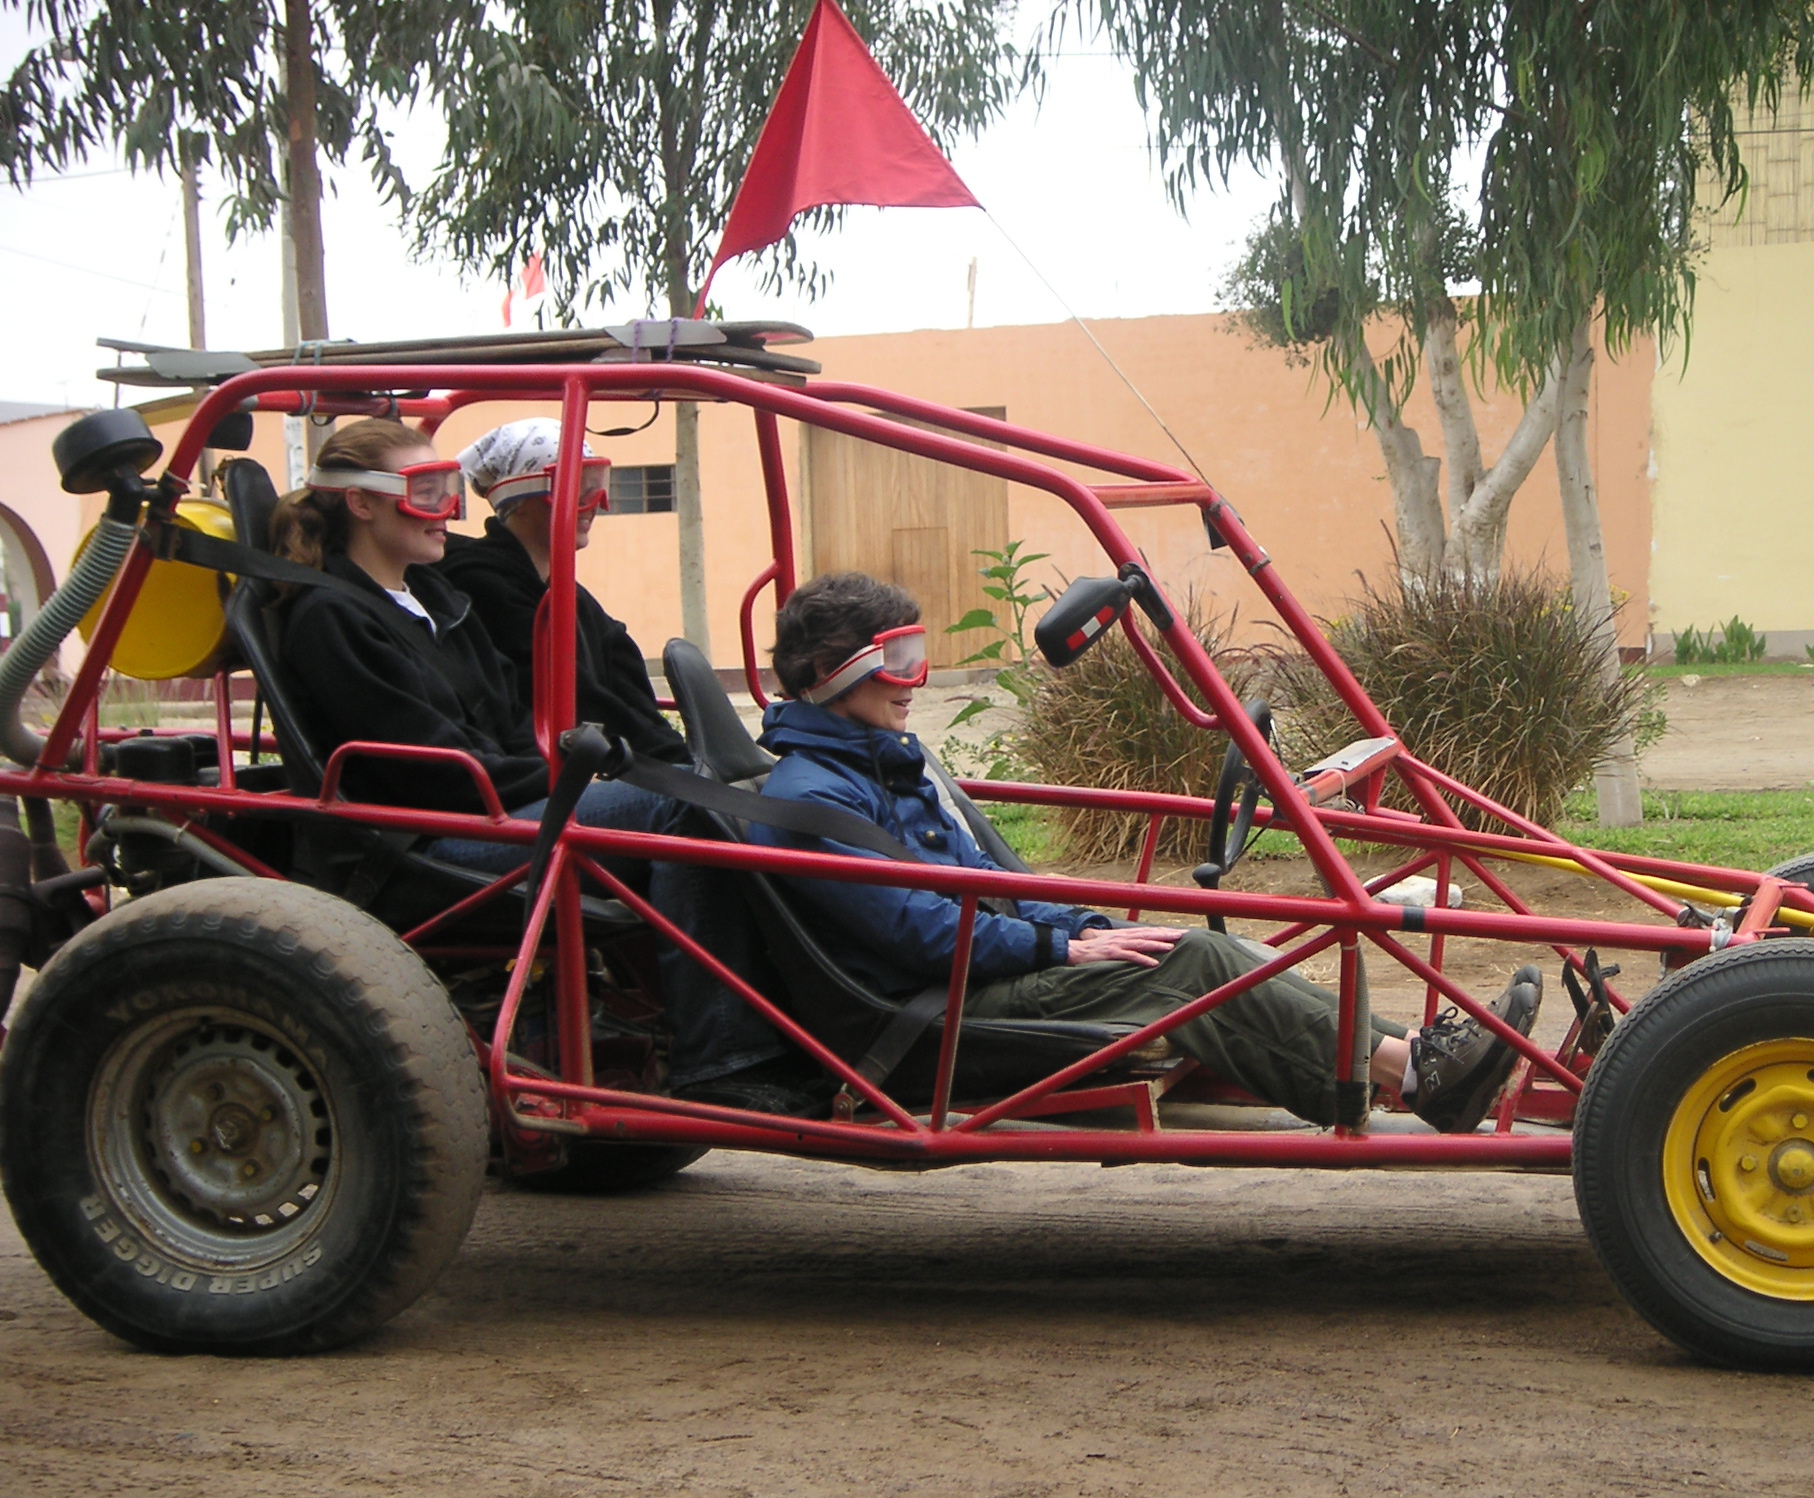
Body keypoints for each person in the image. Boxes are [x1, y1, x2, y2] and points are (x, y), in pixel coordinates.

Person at [747, 572, 1543, 1133]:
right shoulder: (813, 798)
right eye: (895, 661)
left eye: (915, 654)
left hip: (974, 976)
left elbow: (991, 883)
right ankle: (1417, 1074)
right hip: (931, 1019)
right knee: (1194, 960)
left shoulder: (886, 762)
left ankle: (1419, 1058)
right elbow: (918, 932)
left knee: (1182, 946)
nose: (914, 679)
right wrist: (1062, 943)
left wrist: (1078, 925)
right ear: (827, 673)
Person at [270, 419, 790, 1098]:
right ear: (361, 503)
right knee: (680, 800)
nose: (448, 510)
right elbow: (427, 768)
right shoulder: (330, 617)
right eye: (426, 492)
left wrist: (574, 764)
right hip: (421, 844)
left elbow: (511, 722)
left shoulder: (432, 596)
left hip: (490, 810)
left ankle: (767, 1028)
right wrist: (567, 772)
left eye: (449, 489)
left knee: (704, 791)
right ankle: (722, 1059)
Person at [443, 417, 691, 765]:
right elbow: (576, 696)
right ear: (520, 498)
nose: (597, 504)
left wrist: (682, 764)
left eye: (595, 485)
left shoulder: (567, 594)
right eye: (577, 489)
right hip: (556, 776)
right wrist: (676, 771)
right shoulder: (484, 587)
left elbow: (626, 688)